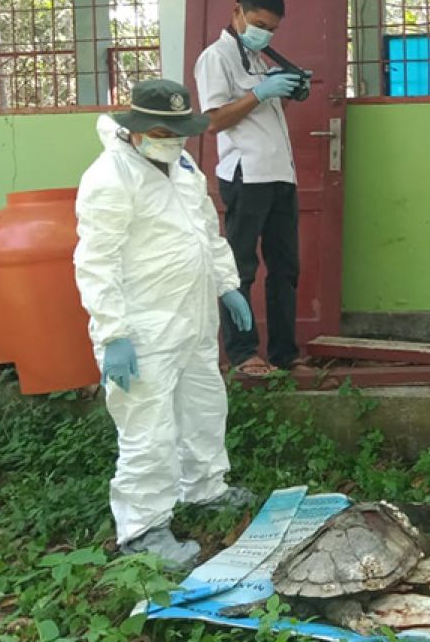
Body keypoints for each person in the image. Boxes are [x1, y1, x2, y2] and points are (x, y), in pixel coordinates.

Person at [74, 79, 257, 569]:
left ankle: (204, 488)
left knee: (204, 405)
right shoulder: (109, 178)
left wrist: (227, 284)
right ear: (135, 130)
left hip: (192, 320)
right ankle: (143, 530)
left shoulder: (183, 165)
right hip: (143, 331)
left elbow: (206, 230)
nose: (174, 139)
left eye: (180, 131)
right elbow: (96, 261)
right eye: (163, 131)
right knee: (147, 430)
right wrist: (112, 334)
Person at [193, 0, 308, 376]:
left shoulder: (261, 58)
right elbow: (212, 121)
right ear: (237, 11)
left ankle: (284, 353)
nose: (265, 33)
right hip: (246, 174)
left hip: (279, 174)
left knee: (285, 268)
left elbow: (263, 120)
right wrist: (261, 93)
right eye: (259, 23)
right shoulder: (216, 57)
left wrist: (288, 89)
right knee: (240, 267)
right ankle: (243, 355)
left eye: (273, 28)